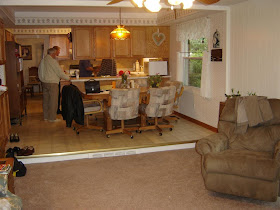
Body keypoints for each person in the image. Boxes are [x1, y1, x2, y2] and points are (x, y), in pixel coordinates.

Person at [38, 48, 70, 122]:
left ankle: (46, 116)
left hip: (44, 83)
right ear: (53, 54)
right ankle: (52, 118)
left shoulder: (43, 60)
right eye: (55, 54)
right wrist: (68, 78)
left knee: (46, 100)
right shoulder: (52, 61)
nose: (56, 55)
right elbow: (59, 72)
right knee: (53, 101)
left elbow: (39, 71)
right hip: (52, 83)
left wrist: (42, 79)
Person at [53, 46, 63, 114]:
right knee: (56, 96)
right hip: (55, 80)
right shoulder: (54, 59)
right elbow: (57, 70)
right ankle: (56, 110)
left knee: (57, 95)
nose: (59, 52)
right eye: (59, 51)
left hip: (55, 79)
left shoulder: (54, 58)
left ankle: (57, 109)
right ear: (55, 51)